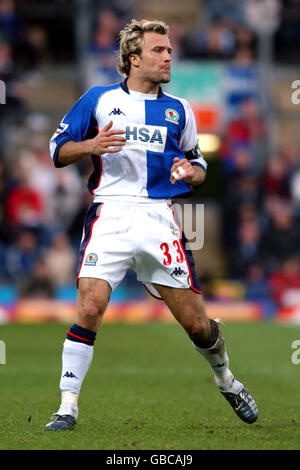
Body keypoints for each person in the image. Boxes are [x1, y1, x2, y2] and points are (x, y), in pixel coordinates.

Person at [45, 19, 258, 431]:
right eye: (159, 51)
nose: (168, 58)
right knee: (89, 307)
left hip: (160, 217)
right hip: (110, 211)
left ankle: (226, 379)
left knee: (197, 325)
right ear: (133, 59)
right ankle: (66, 407)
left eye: (169, 51)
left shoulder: (180, 109)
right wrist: (90, 145)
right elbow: (58, 149)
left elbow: (198, 164)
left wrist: (189, 171)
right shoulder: (99, 100)